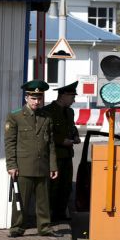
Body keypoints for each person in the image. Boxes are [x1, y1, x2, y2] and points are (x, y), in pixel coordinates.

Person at [4, 79, 60, 237]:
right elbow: (10, 143)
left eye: (40, 98)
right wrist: (11, 165)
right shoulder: (15, 116)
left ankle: (44, 227)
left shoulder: (46, 117)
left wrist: (53, 166)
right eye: (33, 98)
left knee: (43, 201)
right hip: (23, 166)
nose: (37, 101)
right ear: (26, 98)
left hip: (42, 165)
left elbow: (50, 144)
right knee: (20, 200)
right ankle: (17, 228)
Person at [43, 81, 81, 222]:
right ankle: (49, 215)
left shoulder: (70, 112)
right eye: (72, 97)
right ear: (63, 95)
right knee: (53, 186)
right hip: (55, 155)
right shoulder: (48, 111)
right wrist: (61, 141)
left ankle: (60, 213)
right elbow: (46, 132)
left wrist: (75, 135)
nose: (74, 100)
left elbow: (72, 127)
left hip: (67, 155)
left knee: (66, 186)